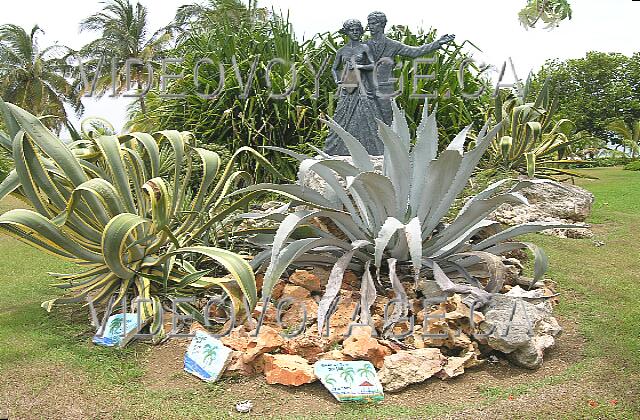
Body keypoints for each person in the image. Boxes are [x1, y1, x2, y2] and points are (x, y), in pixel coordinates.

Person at [366, 11, 456, 125]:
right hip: (367, 88)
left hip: (385, 88)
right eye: (369, 23)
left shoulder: (393, 45)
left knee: (386, 119)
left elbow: (415, 52)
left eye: (373, 23)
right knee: (366, 120)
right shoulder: (364, 45)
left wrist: (437, 43)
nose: (370, 26)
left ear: (382, 24)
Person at [324, 19, 384, 156]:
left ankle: (374, 150)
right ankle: (338, 151)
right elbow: (334, 68)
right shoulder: (342, 50)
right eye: (352, 30)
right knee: (342, 115)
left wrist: (360, 66)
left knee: (367, 113)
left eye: (358, 29)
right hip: (347, 87)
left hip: (362, 85)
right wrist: (337, 81)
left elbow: (373, 65)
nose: (355, 32)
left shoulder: (364, 48)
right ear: (347, 32)